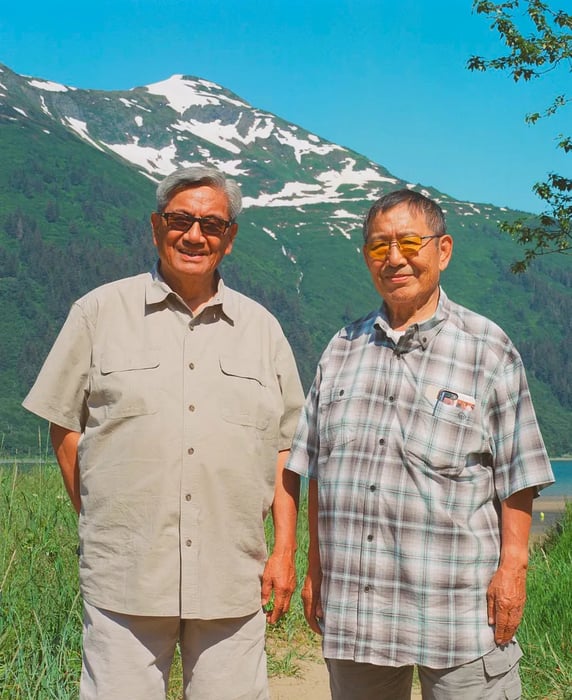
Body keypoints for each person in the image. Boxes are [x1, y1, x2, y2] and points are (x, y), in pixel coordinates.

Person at [23, 166, 304, 700]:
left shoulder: (263, 330)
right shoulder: (98, 312)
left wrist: (284, 550)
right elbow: (65, 424)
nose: (194, 235)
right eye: (181, 219)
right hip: (124, 575)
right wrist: (103, 515)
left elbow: (286, 445)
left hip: (232, 577)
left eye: (212, 225)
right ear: (157, 227)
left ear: (230, 238)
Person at [286, 189, 554, 700]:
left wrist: (513, 569)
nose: (394, 258)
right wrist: (314, 570)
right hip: (359, 613)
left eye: (410, 241)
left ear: (443, 250)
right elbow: (318, 470)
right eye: (378, 246)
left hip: (459, 612)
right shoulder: (341, 349)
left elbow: (519, 475)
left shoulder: (487, 348)